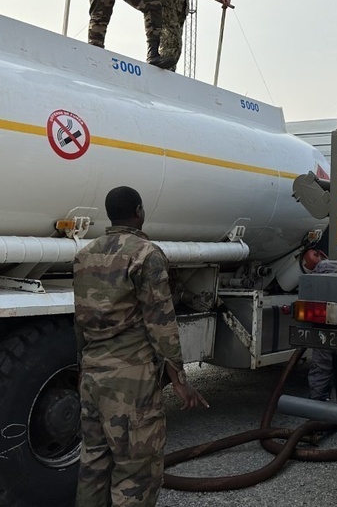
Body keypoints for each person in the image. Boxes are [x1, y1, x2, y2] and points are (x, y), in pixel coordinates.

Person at [73, 185, 208, 507]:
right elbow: (160, 321)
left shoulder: (85, 254)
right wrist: (181, 381)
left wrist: (83, 367)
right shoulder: (146, 254)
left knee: (93, 463)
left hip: (93, 374)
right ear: (139, 210)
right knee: (136, 470)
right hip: (130, 379)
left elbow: (80, 319)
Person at [302, 247, 337, 401]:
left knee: (323, 360)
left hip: (327, 322)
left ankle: (318, 405)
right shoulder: (328, 266)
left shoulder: (325, 267)